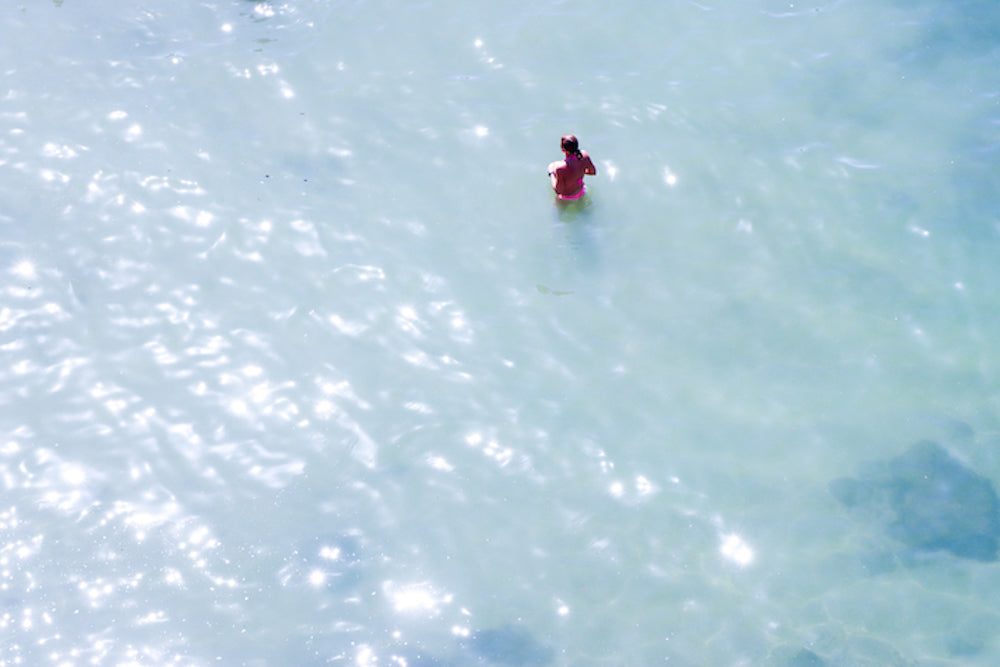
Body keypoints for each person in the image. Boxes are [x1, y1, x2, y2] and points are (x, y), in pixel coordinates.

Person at [548, 134, 596, 200]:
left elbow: (558, 191)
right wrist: (578, 172)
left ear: (563, 149)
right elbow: (592, 172)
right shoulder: (584, 155)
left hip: (566, 197)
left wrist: (551, 173)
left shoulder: (561, 168)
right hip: (581, 191)